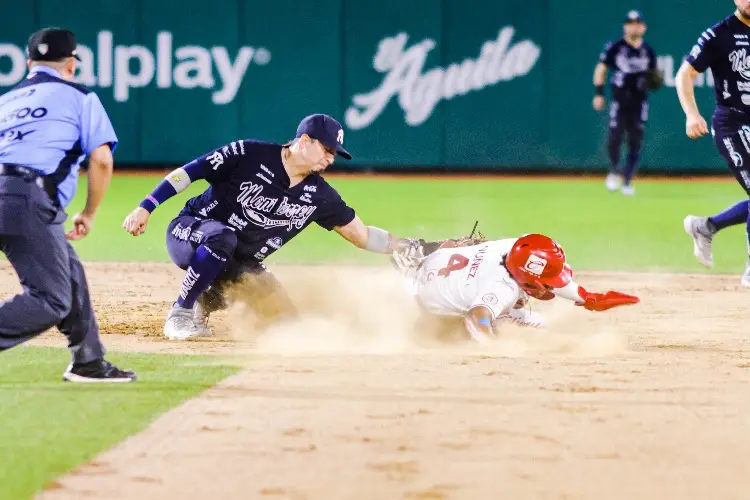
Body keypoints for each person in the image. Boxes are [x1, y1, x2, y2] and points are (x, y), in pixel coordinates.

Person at [122, 113, 425, 340]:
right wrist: (146, 206)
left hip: (239, 260)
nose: (330, 159)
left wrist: (407, 245)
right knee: (222, 238)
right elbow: (188, 173)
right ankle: (180, 314)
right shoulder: (248, 154)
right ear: (304, 141)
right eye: (327, 150)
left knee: (287, 322)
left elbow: (361, 235)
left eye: (334, 154)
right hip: (191, 232)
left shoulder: (320, 196)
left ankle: (208, 298)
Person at [0, 28, 136, 382]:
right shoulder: (79, 97)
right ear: (72, 64)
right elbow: (101, 160)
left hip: (12, 194)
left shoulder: (5, 101)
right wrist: (89, 213)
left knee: (67, 268)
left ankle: (88, 361)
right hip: (25, 197)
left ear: (29, 64)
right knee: (51, 300)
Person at [390, 233, 639, 344]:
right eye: (547, 282)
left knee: (533, 320)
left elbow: (540, 272)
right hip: (423, 315)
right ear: (527, 279)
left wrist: (585, 297)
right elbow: (477, 319)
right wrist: (497, 348)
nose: (552, 286)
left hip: (418, 273)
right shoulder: (503, 288)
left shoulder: (513, 247)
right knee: (534, 323)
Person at [678, 0, 750, 287]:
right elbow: (685, 73)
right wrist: (691, 114)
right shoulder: (719, 34)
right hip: (732, 123)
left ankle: (706, 226)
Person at [593, 10, 661, 196]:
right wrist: (599, 93)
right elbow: (601, 69)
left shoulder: (648, 51)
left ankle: (628, 181)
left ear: (643, 27)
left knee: (635, 141)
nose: (633, 26)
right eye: (630, 23)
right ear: (625, 26)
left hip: (639, 102)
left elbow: (655, 75)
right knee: (614, 138)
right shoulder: (615, 47)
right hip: (620, 100)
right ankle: (615, 171)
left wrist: (654, 79)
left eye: (637, 23)